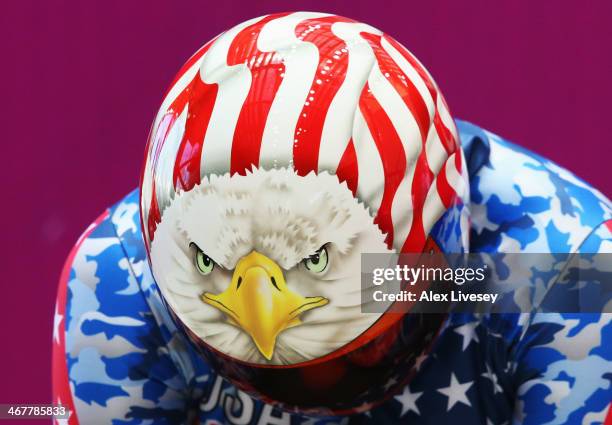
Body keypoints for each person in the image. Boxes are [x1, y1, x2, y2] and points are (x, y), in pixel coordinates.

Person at [52, 12, 612, 425]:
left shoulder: (573, 276)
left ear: (445, 248)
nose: (316, 389)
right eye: (269, 372)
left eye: (362, 347)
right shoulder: (121, 280)